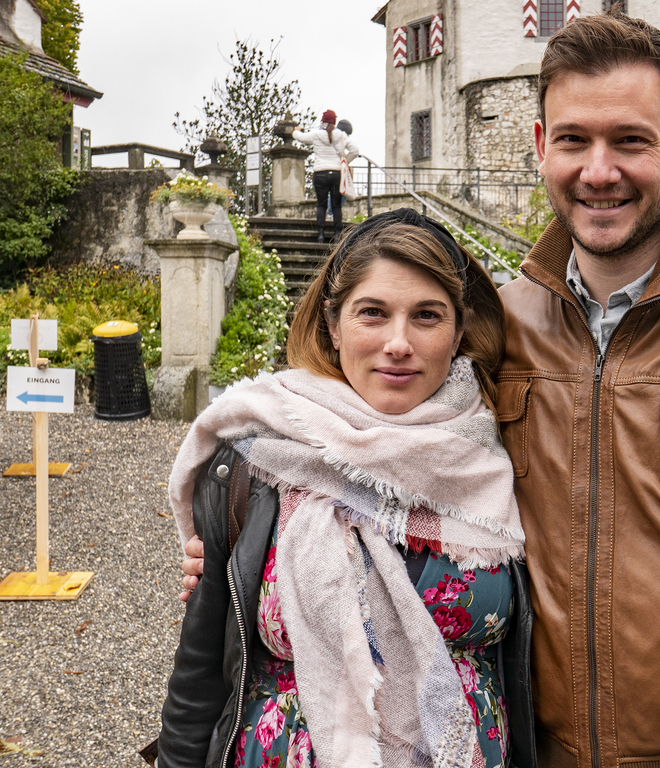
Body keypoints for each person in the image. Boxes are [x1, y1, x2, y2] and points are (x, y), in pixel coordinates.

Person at [184, 11, 660, 768]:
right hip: (537, 751)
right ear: (540, 148)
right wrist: (246, 552)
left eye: (629, 140)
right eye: (573, 140)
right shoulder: (497, 328)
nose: (598, 170)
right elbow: (372, 446)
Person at [160, 210, 534, 768]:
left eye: (427, 316)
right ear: (333, 326)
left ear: (459, 331)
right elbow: (198, 675)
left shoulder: (508, 451)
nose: (398, 343)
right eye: (372, 314)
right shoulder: (254, 460)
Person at [293, 109, 359, 242]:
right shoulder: (341, 135)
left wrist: (296, 130)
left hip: (320, 173)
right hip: (336, 173)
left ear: (323, 122)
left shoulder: (317, 134)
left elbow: (300, 137)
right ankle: (337, 235)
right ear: (334, 122)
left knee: (321, 205)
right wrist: (345, 161)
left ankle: (321, 235)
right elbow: (355, 150)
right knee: (336, 205)